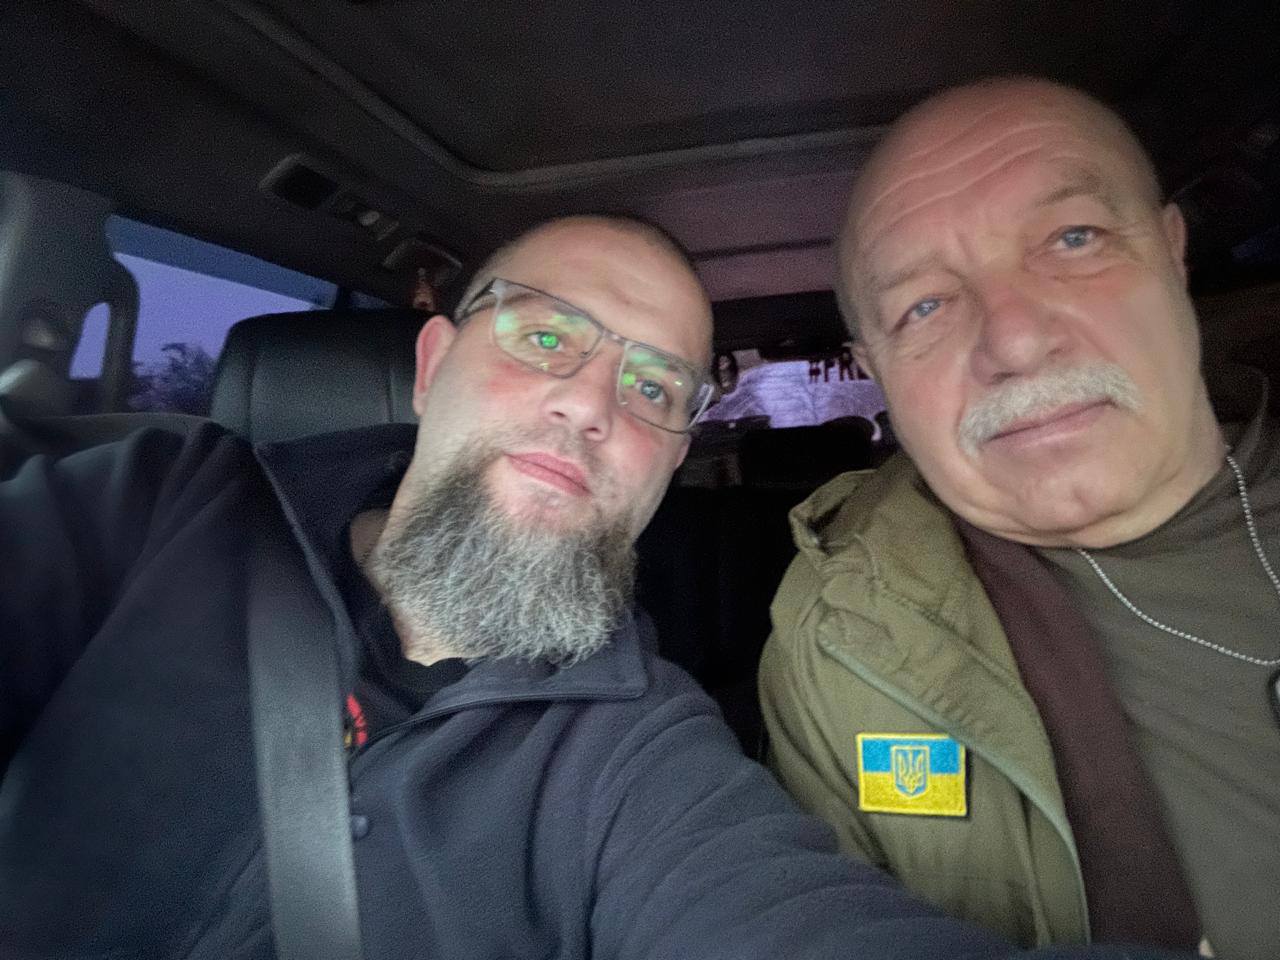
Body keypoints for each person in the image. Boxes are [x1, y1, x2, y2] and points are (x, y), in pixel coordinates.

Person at [0, 214, 1181, 960]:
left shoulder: (638, 759)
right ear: (432, 365)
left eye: (656, 387)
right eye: (545, 337)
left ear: (671, 459)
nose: (590, 402)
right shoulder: (154, 504)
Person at [760, 77, 1279, 959]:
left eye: (1073, 240)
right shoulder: (839, 644)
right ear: (876, 372)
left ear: (1172, 252)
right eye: (924, 306)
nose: (1014, 341)